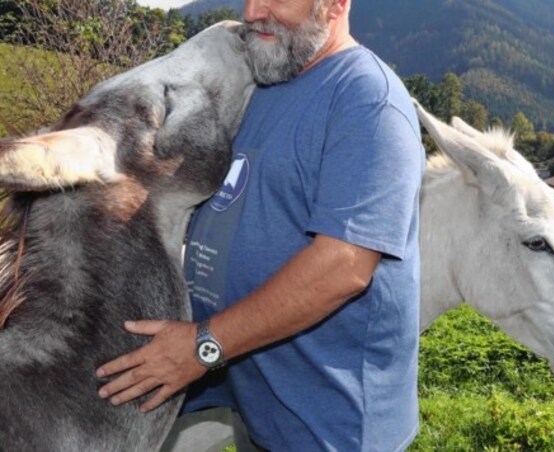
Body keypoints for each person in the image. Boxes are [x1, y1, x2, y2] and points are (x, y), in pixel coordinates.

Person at [97, 0, 424, 450]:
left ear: (335, 4)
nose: (252, 12)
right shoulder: (268, 83)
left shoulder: (368, 101)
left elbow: (343, 265)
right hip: (261, 398)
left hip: (330, 426)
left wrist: (201, 347)